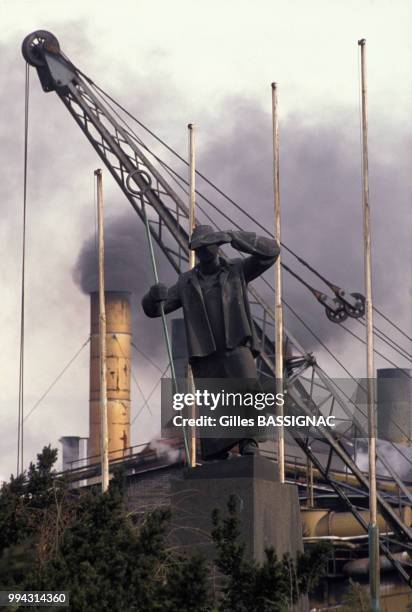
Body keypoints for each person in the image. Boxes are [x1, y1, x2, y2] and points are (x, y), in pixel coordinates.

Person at [142, 225, 280, 460]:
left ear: (217, 246)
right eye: (199, 248)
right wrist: (152, 297)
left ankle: (249, 440)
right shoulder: (187, 282)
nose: (204, 251)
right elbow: (157, 310)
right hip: (206, 351)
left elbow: (271, 252)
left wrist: (235, 237)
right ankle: (217, 449)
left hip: (235, 343)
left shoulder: (236, 270)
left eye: (208, 245)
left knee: (248, 390)